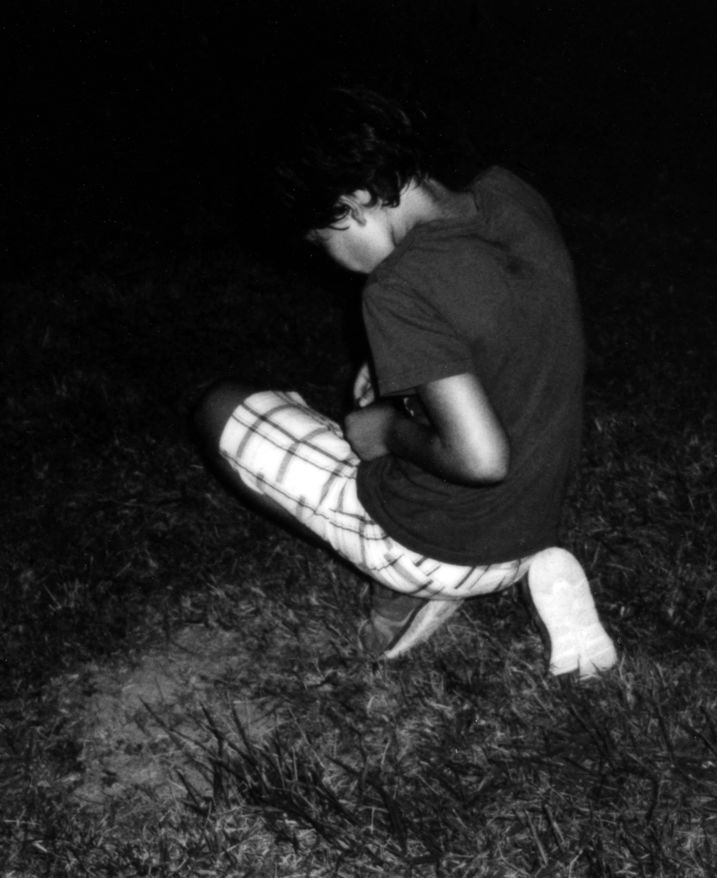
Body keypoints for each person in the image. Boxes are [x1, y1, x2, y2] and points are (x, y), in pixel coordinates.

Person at [191, 88, 616, 678]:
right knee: (378, 396)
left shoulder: (398, 286)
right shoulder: (511, 198)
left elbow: (482, 459)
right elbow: (503, 325)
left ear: (355, 202)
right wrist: (404, 371)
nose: (332, 260)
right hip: (531, 523)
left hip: (444, 545)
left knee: (219, 408)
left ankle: (405, 583)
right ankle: (532, 575)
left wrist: (388, 430)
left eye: (322, 241)